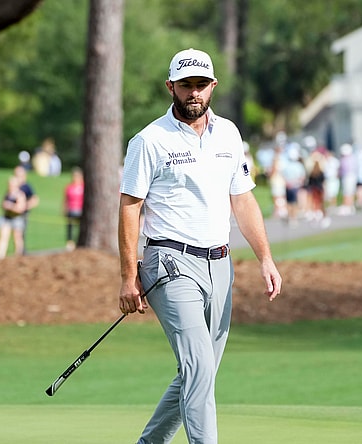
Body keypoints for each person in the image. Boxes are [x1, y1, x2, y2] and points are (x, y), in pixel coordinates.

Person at [118, 48, 282, 444]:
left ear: (213, 87)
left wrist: (266, 258)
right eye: (186, 85)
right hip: (169, 263)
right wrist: (128, 277)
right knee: (198, 367)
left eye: (201, 85)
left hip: (219, 264)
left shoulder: (228, 133)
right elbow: (129, 208)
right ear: (170, 87)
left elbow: (241, 199)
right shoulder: (149, 140)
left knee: (201, 370)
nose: (194, 93)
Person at [0, 176, 27, 259]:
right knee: (3, 237)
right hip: (7, 217)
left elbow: (21, 208)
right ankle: (0, 256)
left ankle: (18, 256)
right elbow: (3, 204)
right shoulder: (7, 193)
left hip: (17, 218)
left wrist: (11, 207)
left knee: (17, 237)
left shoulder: (20, 195)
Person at [14, 165, 39, 253]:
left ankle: (22, 251)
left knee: (21, 233)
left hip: (22, 214)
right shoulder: (13, 186)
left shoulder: (26, 186)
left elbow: (35, 199)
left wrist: (25, 206)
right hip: (12, 213)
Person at [63, 166, 84, 251]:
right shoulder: (69, 187)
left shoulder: (83, 187)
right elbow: (66, 199)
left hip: (80, 210)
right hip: (71, 209)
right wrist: (65, 208)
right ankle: (70, 242)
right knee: (70, 227)